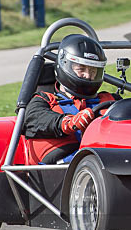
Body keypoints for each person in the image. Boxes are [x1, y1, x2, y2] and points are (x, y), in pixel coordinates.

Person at [24, 35, 119, 164]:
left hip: (112, 160)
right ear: (64, 65)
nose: (88, 75)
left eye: (93, 70)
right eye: (81, 69)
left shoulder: (110, 99)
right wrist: (67, 122)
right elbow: (32, 119)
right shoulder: (45, 99)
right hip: (60, 170)